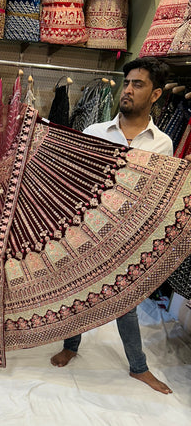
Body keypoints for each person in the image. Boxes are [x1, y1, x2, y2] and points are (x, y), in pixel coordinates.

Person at [51, 57, 175, 394]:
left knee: (126, 303)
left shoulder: (162, 144)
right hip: (88, 228)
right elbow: (75, 180)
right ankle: (71, 346)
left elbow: (159, 197)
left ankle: (139, 367)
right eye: (127, 83)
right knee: (77, 292)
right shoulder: (95, 132)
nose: (129, 90)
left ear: (156, 94)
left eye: (139, 85)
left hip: (128, 238)